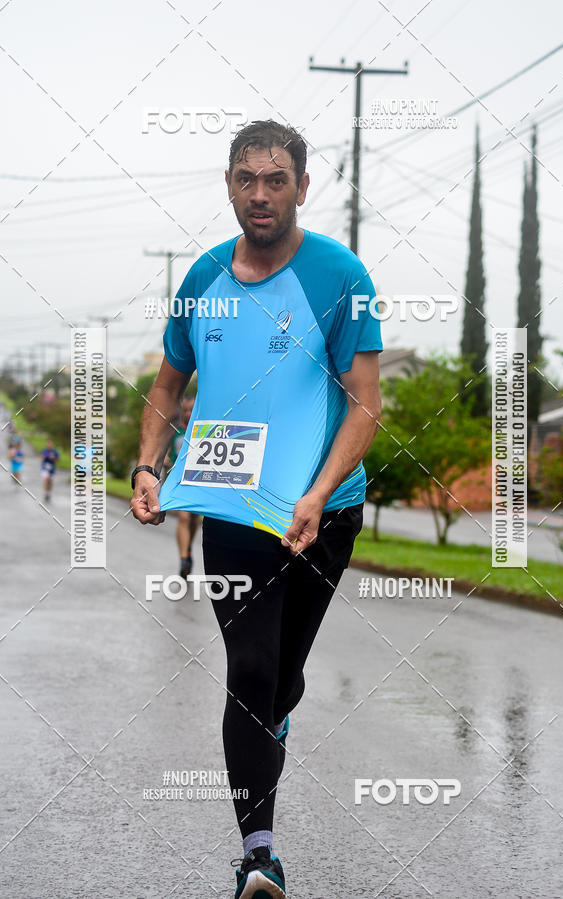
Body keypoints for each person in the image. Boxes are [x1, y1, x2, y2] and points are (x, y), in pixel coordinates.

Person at [130, 119, 382, 898]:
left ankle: (274, 715)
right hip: (234, 511)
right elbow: (167, 384)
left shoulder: (340, 275)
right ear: (229, 185)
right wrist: (147, 463)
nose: (261, 194)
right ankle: (259, 855)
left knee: (281, 680)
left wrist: (316, 492)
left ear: (302, 186)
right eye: (247, 179)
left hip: (323, 513)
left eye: (277, 180)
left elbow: (365, 404)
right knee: (249, 670)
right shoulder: (204, 276)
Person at [164, 395, 200, 577]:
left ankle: (188, 549)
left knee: (194, 520)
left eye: (191, 410)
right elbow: (165, 449)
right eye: (185, 410)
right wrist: (165, 458)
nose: (187, 413)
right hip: (179, 480)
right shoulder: (175, 429)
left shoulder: (200, 429)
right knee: (184, 517)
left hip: (197, 479)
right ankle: (184, 558)